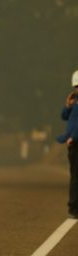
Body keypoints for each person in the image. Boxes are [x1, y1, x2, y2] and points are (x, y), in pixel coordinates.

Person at [57, 70, 78, 218]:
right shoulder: (75, 102)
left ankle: (74, 207)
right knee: (75, 176)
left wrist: (73, 137)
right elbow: (64, 117)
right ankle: (74, 207)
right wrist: (68, 105)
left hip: (75, 142)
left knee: (76, 177)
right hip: (74, 144)